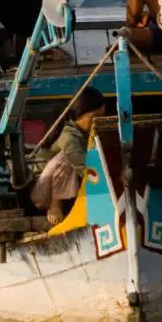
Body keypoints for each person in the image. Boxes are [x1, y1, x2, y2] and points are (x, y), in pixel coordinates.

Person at [31, 87, 107, 225]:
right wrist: (106, 182)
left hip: (60, 187)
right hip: (41, 192)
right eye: (94, 118)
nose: (97, 122)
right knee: (65, 159)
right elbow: (82, 166)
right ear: (80, 114)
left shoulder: (85, 133)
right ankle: (55, 205)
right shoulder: (69, 135)